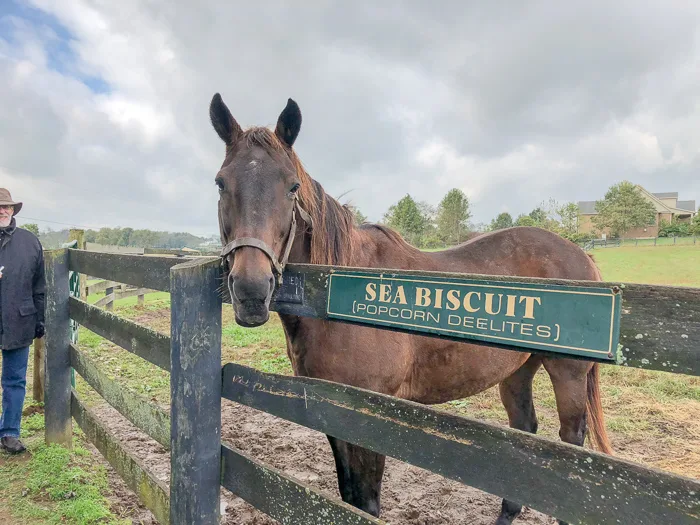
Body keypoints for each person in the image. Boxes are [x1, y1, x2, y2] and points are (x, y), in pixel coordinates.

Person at [0, 188, 45, 454]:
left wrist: (40, 319)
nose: (2, 211)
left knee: (14, 380)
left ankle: (9, 433)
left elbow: (39, 286)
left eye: (6, 207)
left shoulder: (30, 242)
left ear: (13, 210)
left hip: (19, 319)